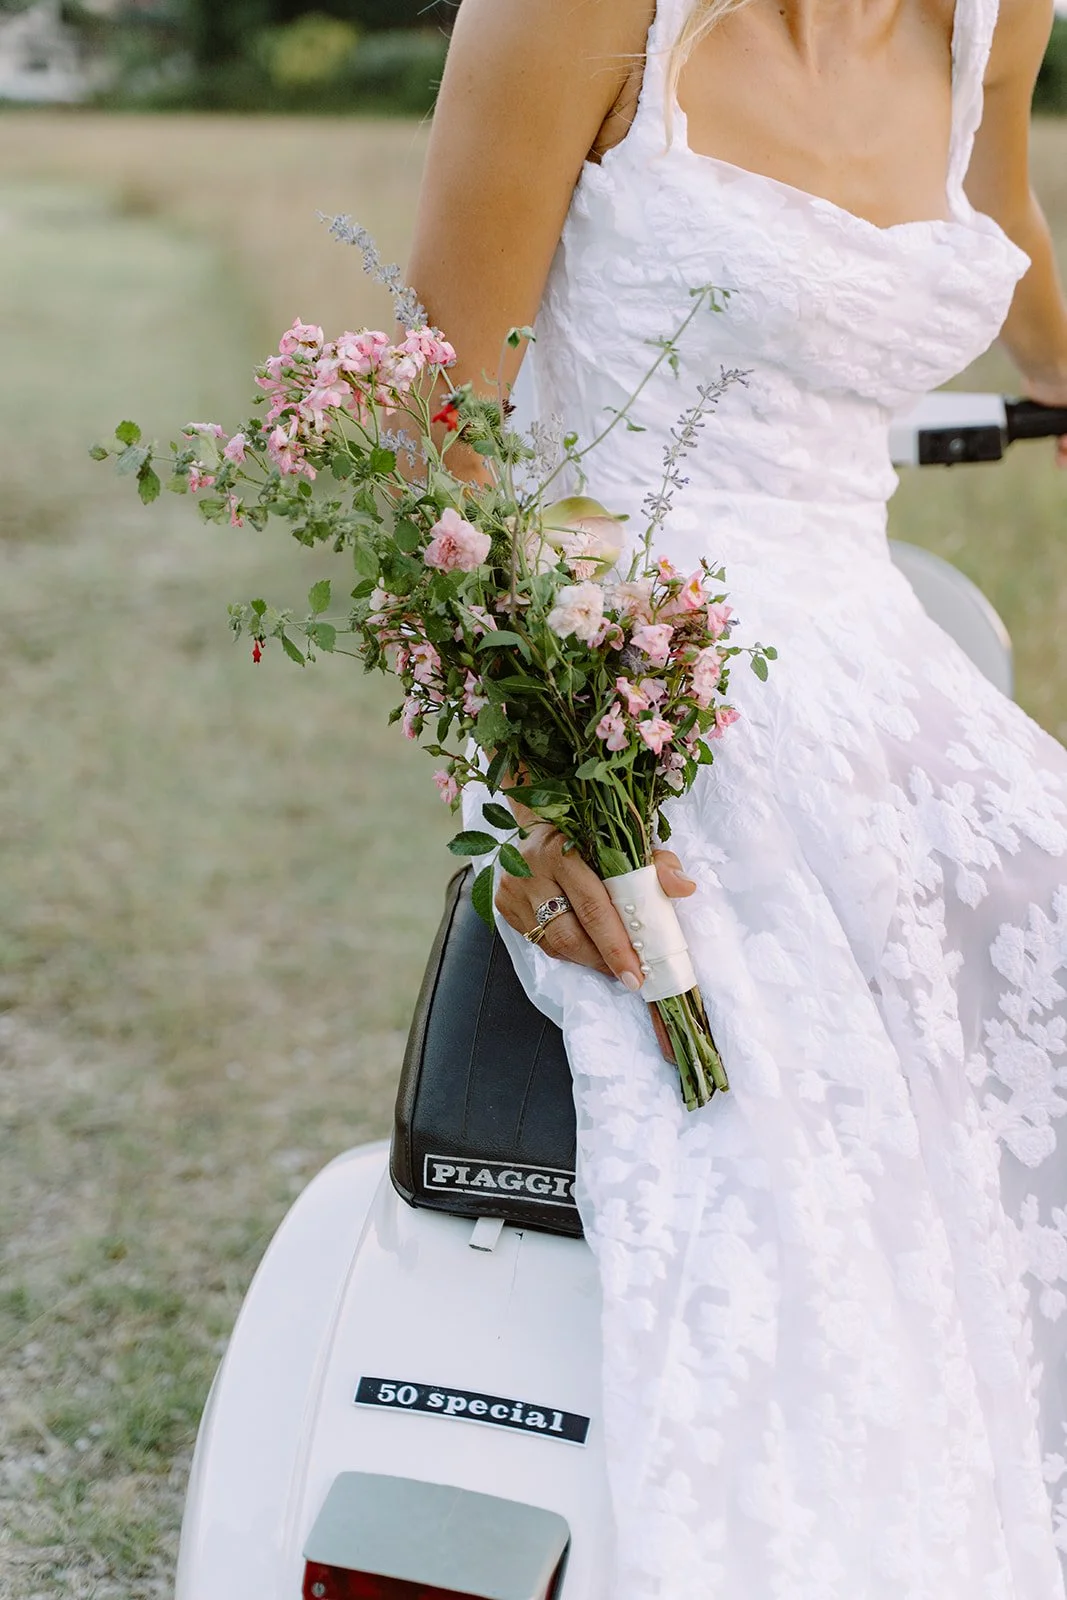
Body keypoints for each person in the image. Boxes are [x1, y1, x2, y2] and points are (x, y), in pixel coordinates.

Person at [404, 0, 1067, 1593]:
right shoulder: (577, 16)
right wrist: (541, 787)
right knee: (792, 1160)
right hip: (643, 687)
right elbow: (437, 429)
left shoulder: (999, 18)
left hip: (881, 666)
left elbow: (1006, 222)